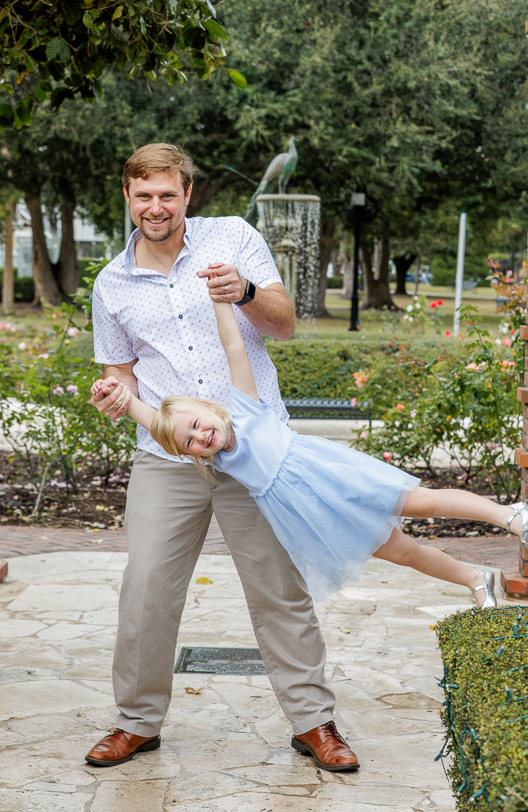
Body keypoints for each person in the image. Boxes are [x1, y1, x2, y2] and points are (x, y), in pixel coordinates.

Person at [86, 143, 359, 773]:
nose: (156, 207)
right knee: (147, 588)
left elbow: (285, 324)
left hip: (254, 447)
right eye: (144, 195)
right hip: (167, 459)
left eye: (168, 194)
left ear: (187, 194)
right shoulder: (112, 283)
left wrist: (245, 292)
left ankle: (314, 722)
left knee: (278, 590)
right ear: (127, 198)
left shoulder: (233, 238)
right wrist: (113, 397)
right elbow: (120, 377)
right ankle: (135, 722)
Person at [93, 267, 528, 629]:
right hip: (312, 514)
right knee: (403, 552)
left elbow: (233, 347)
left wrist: (222, 299)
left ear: (208, 410)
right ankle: (475, 579)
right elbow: (154, 421)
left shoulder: (245, 407)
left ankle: (511, 516)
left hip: (333, 476)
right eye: (191, 442)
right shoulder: (216, 457)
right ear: (191, 454)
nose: (201, 437)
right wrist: (120, 397)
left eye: (197, 426)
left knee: (423, 502)